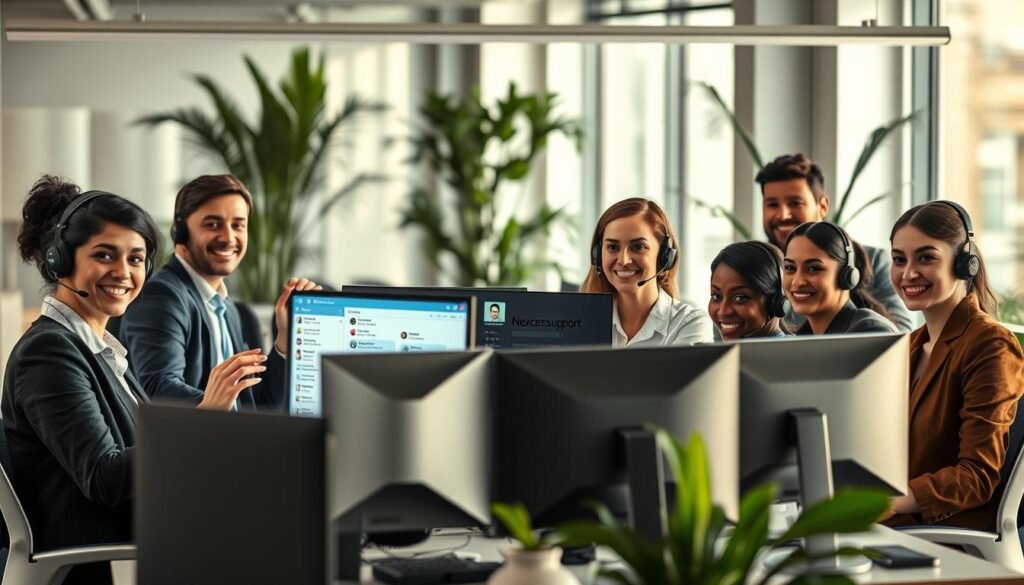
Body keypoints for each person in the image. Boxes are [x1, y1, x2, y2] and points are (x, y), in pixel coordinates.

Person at [3, 177, 253, 585]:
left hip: (147, 542)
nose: (123, 272)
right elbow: (105, 477)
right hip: (100, 562)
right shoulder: (47, 353)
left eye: (136, 259)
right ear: (60, 261)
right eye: (105, 255)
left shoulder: (100, 350)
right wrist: (205, 414)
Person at [121, 175, 319, 410]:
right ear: (181, 233)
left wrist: (285, 339)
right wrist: (220, 409)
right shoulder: (162, 296)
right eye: (212, 224)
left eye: (238, 225)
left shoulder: (228, 309)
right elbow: (158, 389)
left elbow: (261, 405)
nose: (228, 237)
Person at [885, 201, 1024, 530]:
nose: (908, 273)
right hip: (896, 524)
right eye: (899, 259)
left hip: (947, 534)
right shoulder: (907, 347)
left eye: (926, 257)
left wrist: (886, 503)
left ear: (964, 265)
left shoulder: (990, 345)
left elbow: (976, 476)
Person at [756, 153, 914, 332]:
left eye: (795, 203)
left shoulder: (873, 261)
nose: (783, 215)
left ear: (822, 206)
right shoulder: (750, 272)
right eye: (772, 205)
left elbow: (901, 341)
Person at [581, 198, 713, 347]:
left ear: (664, 256)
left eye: (638, 247)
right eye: (612, 247)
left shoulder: (689, 324)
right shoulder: (583, 322)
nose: (623, 261)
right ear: (597, 255)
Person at [782, 221, 897, 335]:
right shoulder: (803, 336)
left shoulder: (869, 332)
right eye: (790, 268)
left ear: (845, 275)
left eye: (813, 269)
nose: (797, 281)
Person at [709, 241, 788, 341]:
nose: (723, 311)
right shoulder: (731, 354)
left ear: (775, 302)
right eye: (716, 296)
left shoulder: (795, 355)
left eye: (739, 298)